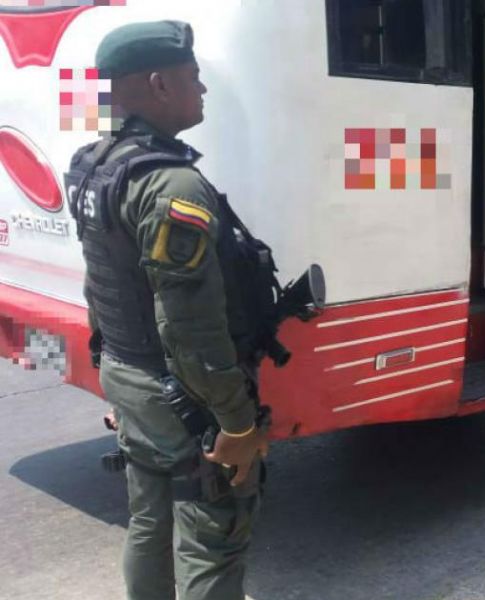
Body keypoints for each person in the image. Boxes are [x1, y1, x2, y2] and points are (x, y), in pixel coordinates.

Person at [67, 21, 271, 599]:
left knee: (150, 523)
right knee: (214, 535)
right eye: (194, 77)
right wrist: (236, 423)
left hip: (131, 377)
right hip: (185, 395)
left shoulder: (96, 163)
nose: (202, 89)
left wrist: (114, 377)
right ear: (158, 84)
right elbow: (190, 328)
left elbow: (101, 282)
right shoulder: (172, 185)